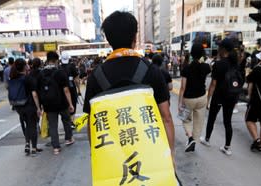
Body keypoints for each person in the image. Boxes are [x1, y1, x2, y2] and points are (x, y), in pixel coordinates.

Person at [83, 11, 174, 157]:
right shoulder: (151, 70)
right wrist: (171, 156)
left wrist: (97, 156)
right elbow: (166, 117)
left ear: (108, 39)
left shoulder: (96, 76)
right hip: (150, 151)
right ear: (135, 37)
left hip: (115, 155)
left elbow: (92, 123)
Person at [202, 38, 240, 156]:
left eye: (219, 47)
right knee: (227, 121)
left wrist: (208, 100)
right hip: (232, 96)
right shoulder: (236, 64)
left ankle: (207, 139)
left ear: (222, 49)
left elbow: (213, 84)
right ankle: (227, 147)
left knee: (212, 118)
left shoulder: (219, 64)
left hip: (219, 96)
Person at [36, 51, 75, 155]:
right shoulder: (60, 72)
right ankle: (68, 139)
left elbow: (38, 91)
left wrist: (39, 106)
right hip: (61, 102)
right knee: (66, 120)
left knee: (53, 125)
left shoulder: (41, 73)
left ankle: (56, 147)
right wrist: (70, 104)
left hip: (48, 104)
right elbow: (66, 90)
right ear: (57, 60)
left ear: (47, 60)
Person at [177, 44, 211, 152]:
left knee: (185, 119)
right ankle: (194, 142)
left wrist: (180, 103)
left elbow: (183, 87)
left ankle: (190, 138)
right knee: (199, 122)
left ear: (191, 53)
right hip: (202, 98)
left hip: (189, 99)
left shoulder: (186, 68)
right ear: (202, 54)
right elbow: (204, 65)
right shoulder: (206, 67)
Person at [8, 58, 42, 155]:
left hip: (18, 106)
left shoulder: (13, 78)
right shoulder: (28, 78)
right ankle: (34, 148)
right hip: (29, 105)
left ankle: (27, 144)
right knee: (33, 126)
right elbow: (34, 94)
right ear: (24, 66)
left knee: (27, 125)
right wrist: (38, 108)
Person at [60, 52, 81, 119]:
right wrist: (79, 90)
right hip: (72, 88)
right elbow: (77, 80)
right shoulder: (72, 66)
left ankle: (67, 120)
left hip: (61, 90)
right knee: (73, 103)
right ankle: (72, 121)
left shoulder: (59, 68)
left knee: (64, 104)